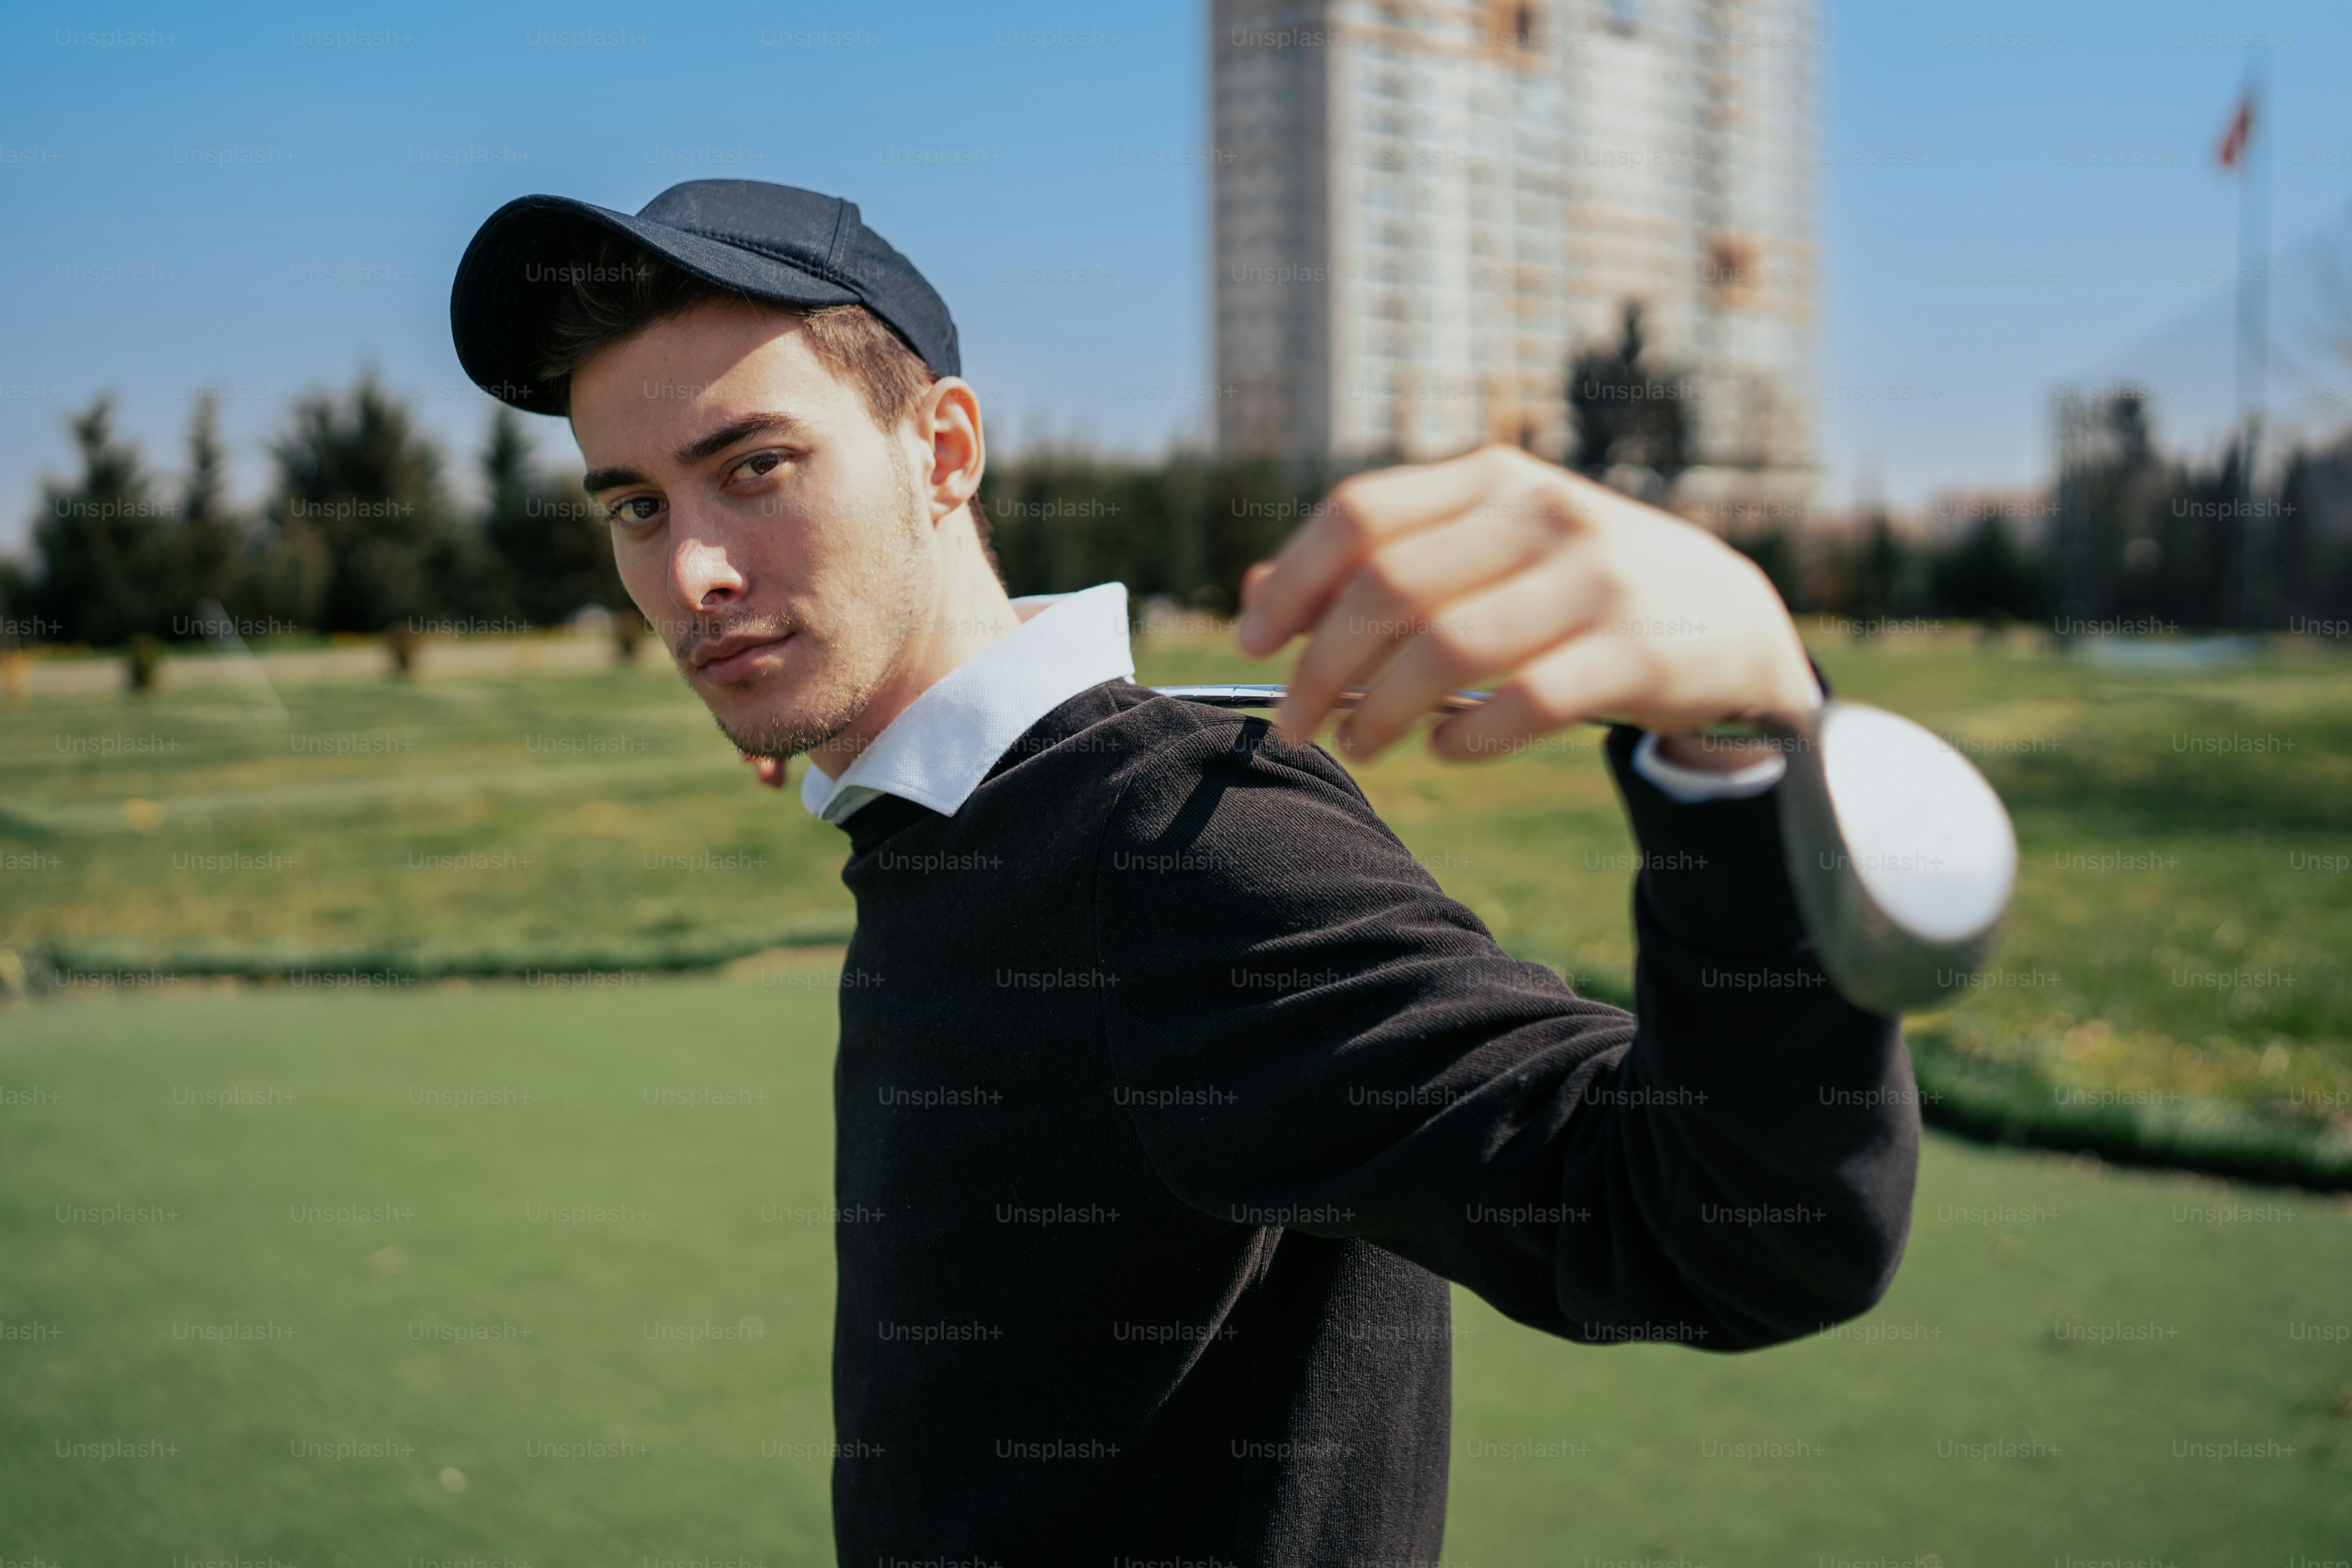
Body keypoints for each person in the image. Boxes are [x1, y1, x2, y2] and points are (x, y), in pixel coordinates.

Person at [452, 180, 1919, 1566]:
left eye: (755, 469)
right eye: (637, 506)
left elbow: (1736, 1229)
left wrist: (1740, 743)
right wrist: (855, 740)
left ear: (945, 451)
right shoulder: (958, 810)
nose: (692, 572)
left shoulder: (1180, 852)